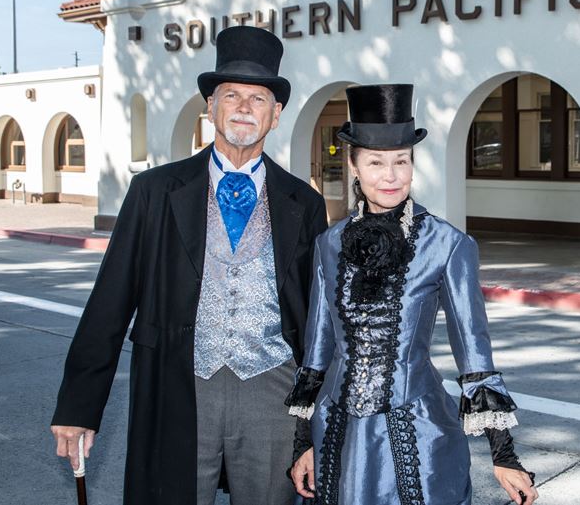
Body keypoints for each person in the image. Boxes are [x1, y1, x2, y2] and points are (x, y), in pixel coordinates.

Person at [50, 25, 327, 505]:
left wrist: (322, 411)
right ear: (210, 107)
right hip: (180, 386)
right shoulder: (155, 192)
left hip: (273, 391)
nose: (244, 107)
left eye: (258, 99)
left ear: (276, 115)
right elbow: (110, 300)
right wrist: (79, 406)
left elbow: (318, 316)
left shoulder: (302, 200)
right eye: (232, 95)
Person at [286, 84, 538, 505]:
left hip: (418, 432)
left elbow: (473, 352)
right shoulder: (328, 244)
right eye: (376, 162)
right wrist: (301, 443)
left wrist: (503, 453)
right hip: (337, 435)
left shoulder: (448, 244)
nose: (391, 175)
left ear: (413, 165)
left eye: (401, 161)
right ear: (354, 166)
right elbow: (317, 352)